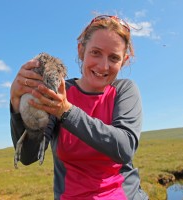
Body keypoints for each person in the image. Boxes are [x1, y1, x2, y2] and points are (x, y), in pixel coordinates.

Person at [10, 14, 148, 200]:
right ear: (81, 50)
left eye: (114, 58)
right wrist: (17, 107)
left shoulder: (124, 90)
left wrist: (66, 112)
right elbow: (28, 156)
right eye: (95, 52)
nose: (103, 65)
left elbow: (124, 148)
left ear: (124, 60)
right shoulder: (60, 91)